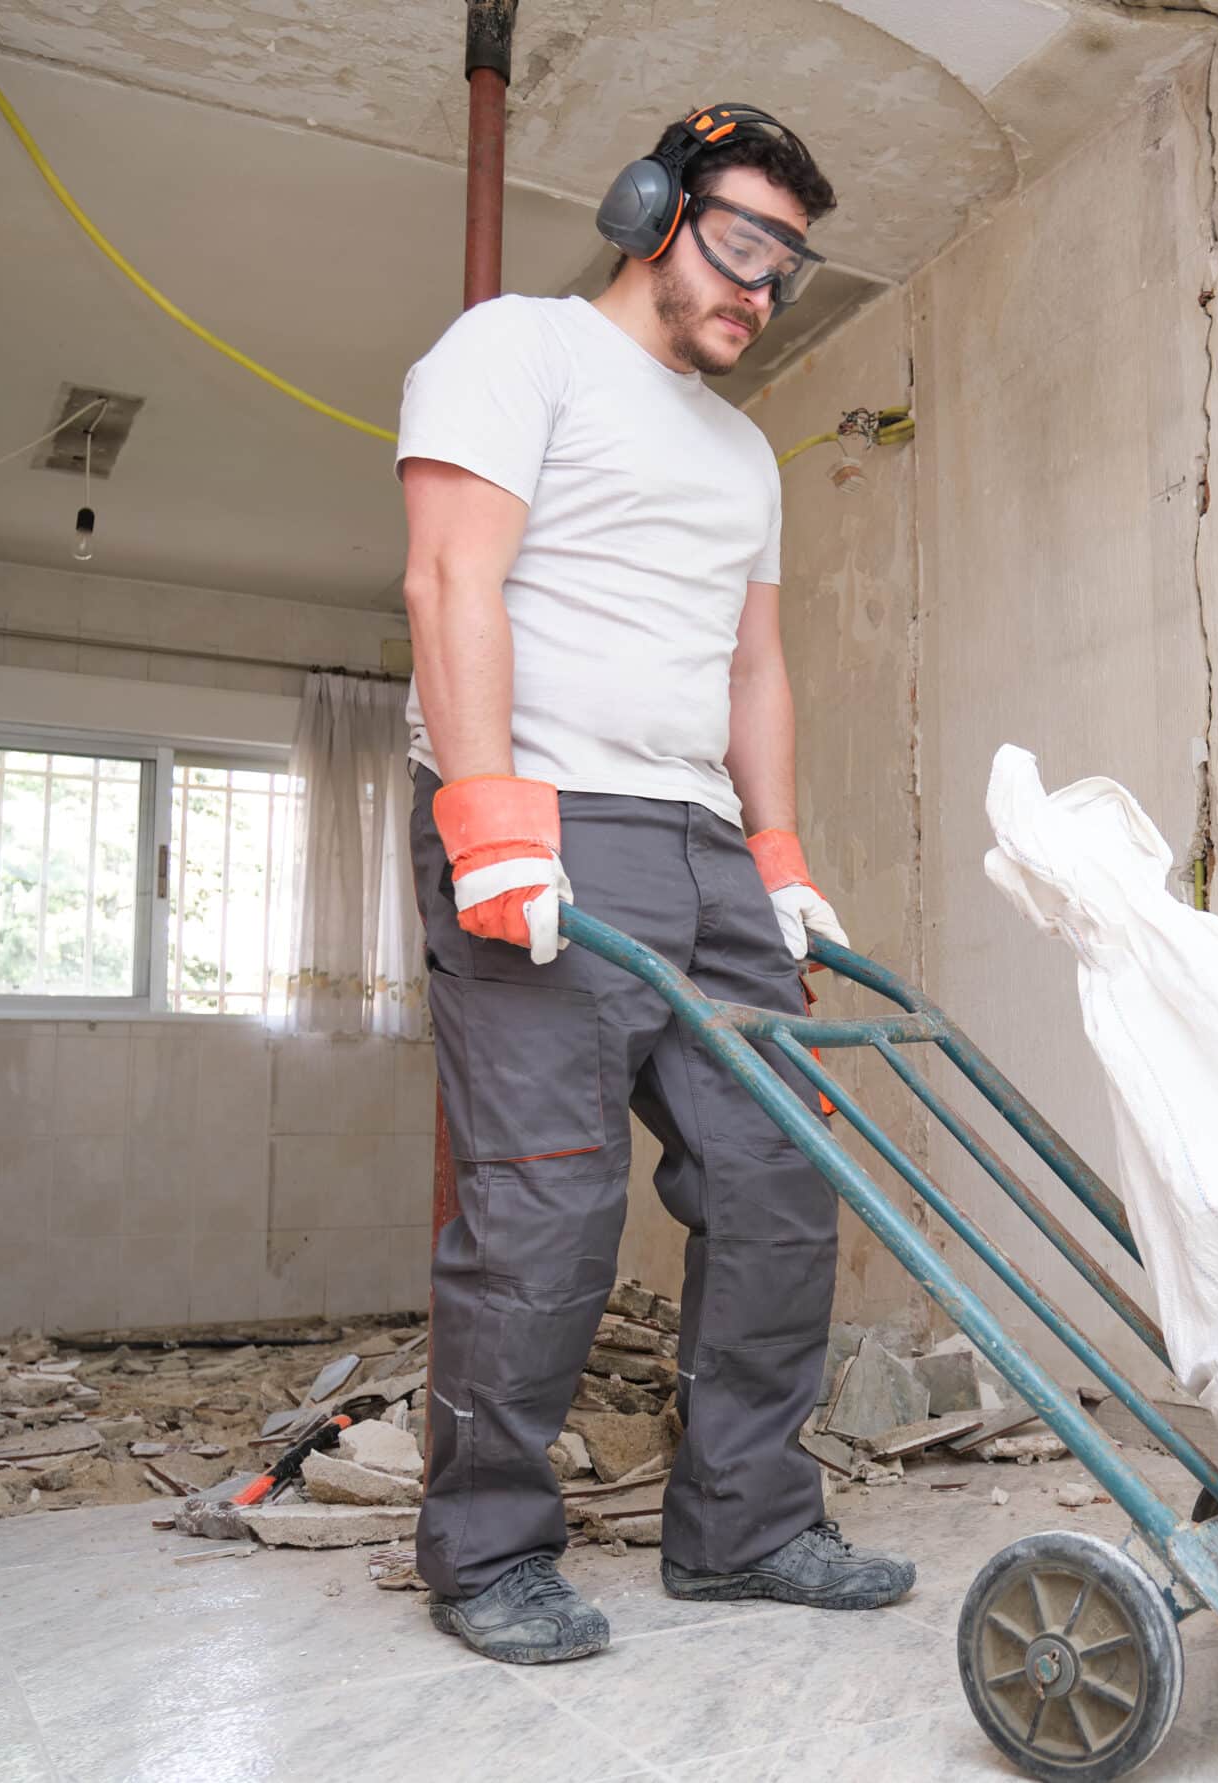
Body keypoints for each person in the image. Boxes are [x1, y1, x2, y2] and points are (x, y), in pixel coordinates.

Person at [394, 103, 912, 1665]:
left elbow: (754, 666)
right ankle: (487, 1555)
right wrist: (489, 814)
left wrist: (783, 858)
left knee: (776, 1186)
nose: (760, 289)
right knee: (549, 1198)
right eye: (742, 242)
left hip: (700, 847)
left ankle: (746, 1530)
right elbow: (448, 575)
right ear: (650, 211)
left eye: (788, 268)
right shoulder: (517, 348)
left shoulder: (746, 449)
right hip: (544, 811)